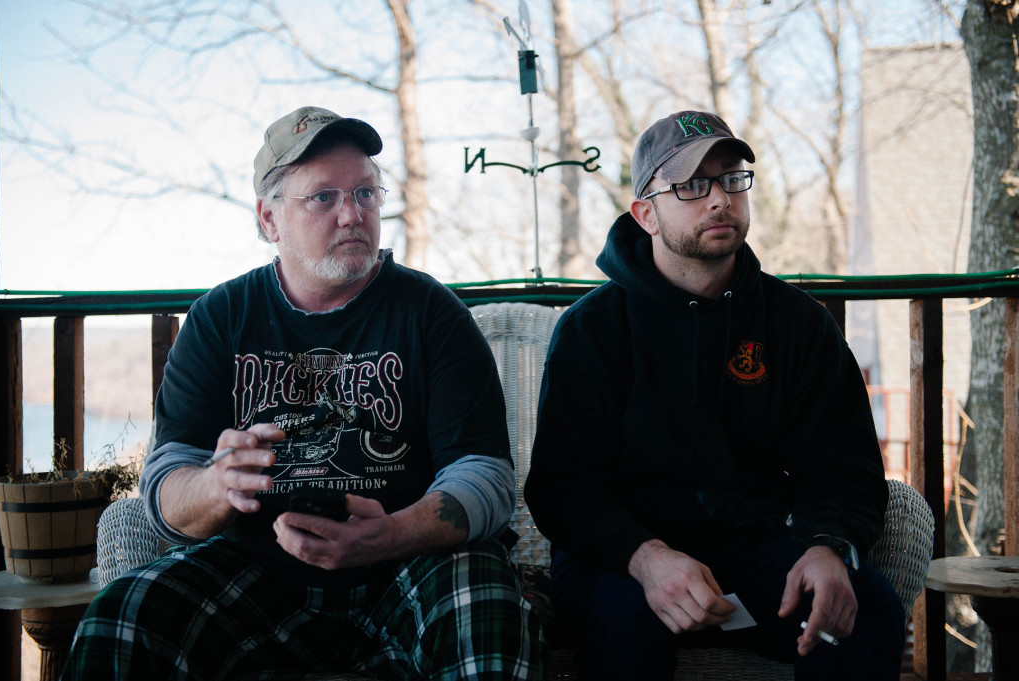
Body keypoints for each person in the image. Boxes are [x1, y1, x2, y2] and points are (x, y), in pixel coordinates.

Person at [62, 106, 543, 680]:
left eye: (366, 193)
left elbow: (485, 476)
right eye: (324, 197)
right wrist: (216, 485)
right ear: (270, 219)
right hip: (257, 572)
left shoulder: (430, 313)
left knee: (485, 603)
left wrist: (389, 534)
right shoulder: (221, 318)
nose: (352, 214)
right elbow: (166, 492)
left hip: (409, 564)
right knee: (120, 618)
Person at [524, 111, 904, 681]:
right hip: (621, 556)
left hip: (756, 547)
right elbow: (561, 487)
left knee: (866, 609)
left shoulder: (797, 324)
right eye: (691, 185)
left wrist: (828, 547)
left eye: (731, 178)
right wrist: (646, 558)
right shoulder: (591, 330)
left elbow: (844, 467)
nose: (719, 199)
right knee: (623, 628)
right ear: (645, 213)